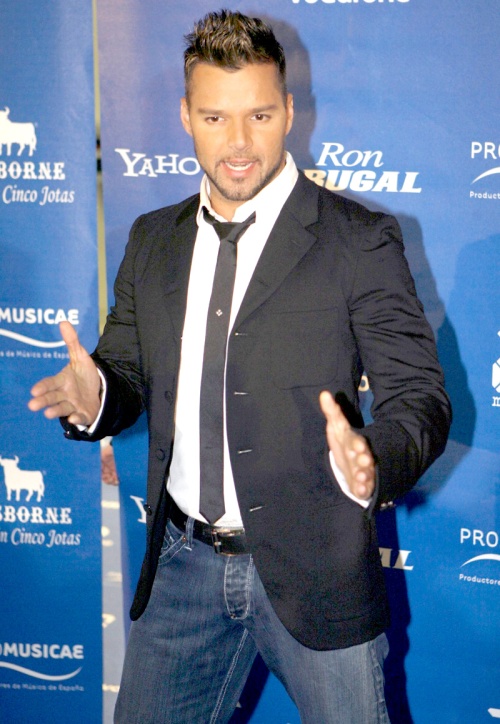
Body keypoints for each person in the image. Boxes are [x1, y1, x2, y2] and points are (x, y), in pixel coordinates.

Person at [28, 10, 451, 723]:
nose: (239, 144)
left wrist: (373, 458)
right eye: (215, 118)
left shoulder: (360, 240)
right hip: (181, 565)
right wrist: (94, 395)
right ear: (186, 117)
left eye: (258, 115)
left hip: (318, 566)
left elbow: (420, 399)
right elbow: (124, 373)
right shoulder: (153, 240)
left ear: (288, 110)